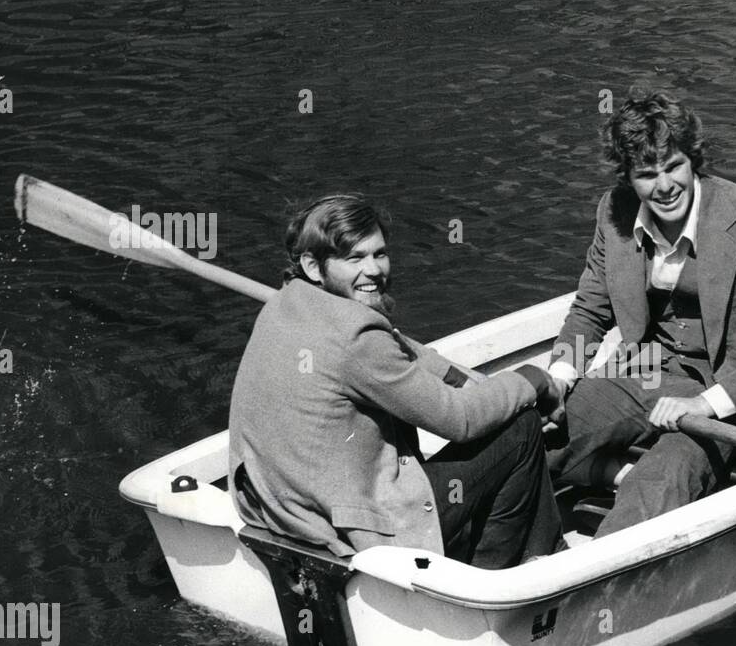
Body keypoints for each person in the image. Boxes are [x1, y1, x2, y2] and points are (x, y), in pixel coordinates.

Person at [544, 91, 736, 537]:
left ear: (693, 159)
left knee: (660, 479)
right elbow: (590, 309)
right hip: (649, 374)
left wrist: (705, 404)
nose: (664, 186)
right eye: (646, 174)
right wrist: (559, 377)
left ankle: (585, 582)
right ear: (628, 177)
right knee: (533, 437)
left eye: (674, 166)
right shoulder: (613, 210)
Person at [228, 194, 563, 567]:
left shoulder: (284, 304)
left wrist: (454, 376)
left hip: (279, 509)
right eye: (354, 258)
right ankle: (502, 574)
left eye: (379, 254)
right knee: (521, 429)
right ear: (313, 265)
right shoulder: (358, 337)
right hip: (352, 529)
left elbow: (396, 346)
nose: (373, 270)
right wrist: (532, 379)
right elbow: (461, 421)